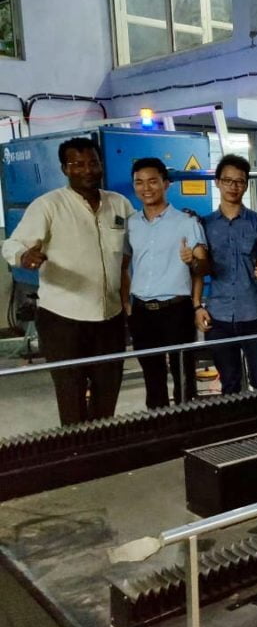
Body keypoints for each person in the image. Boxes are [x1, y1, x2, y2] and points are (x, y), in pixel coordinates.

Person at [2, 136, 135, 425]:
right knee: (71, 394)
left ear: (101, 165)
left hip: (109, 318)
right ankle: (76, 446)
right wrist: (24, 255)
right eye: (78, 164)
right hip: (63, 321)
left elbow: (140, 240)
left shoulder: (119, 204)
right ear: (65, 168)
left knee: (107, 390)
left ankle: (101, 443)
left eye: (93, 163)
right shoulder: (48, 206)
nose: (87, 170)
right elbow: (11, 244)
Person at [121, 157, 209, 409]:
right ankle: (159, 426)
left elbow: (203, 268)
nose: (146, 188)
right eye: (139, 182)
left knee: (184, 377)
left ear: (166, 183)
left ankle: (186, 425)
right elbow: (123, 265)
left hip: (176, 310)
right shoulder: (131, 224)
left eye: (152, 181)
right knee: (153, 379)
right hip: (142, 312)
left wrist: (193, 261)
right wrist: (127, 304)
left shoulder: (186, 222)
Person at [195, 155, 257, 394]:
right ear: (217, 182)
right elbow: (197, 271)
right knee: (229, 383)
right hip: (218, 316)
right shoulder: (204, 224)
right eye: (227, 180)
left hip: (254, 313)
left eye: (239, 181)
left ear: (246, 185)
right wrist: (197, 306)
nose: (233, 186)